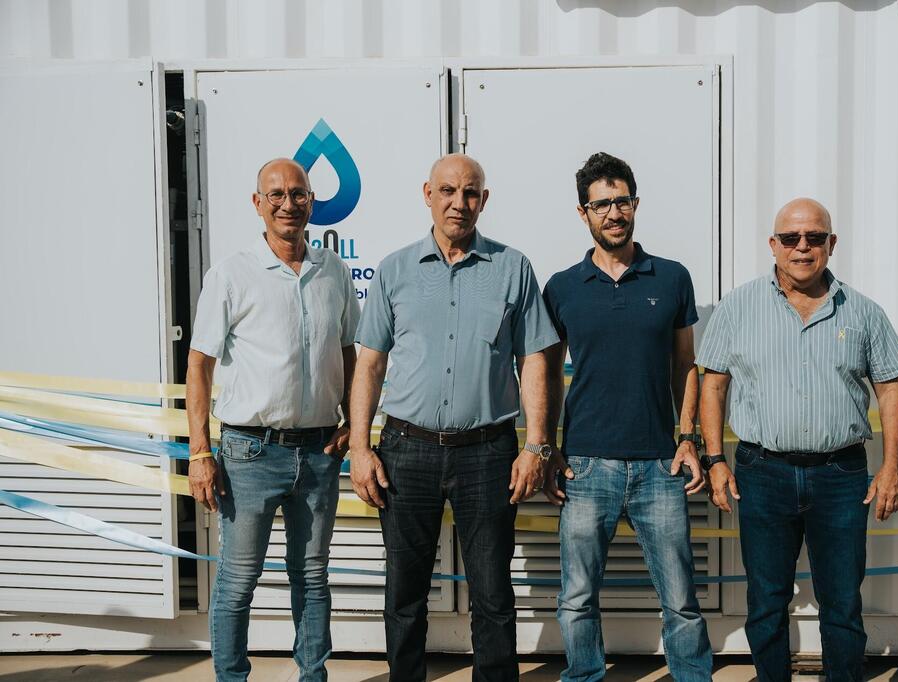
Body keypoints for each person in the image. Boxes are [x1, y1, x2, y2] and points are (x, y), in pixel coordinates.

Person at [347, 153, 560, 681]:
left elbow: (534, 360)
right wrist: (359, 446)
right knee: (404, 592)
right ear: (427, 194)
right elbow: (369, 363)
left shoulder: (513, 268)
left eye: (470, 193)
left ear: (483, 200)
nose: (458, 203)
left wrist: (535, 445)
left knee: (492, 591)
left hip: (488, 453)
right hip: (405, 450)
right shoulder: (395, 270)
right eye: (447, 191)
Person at [697, 198, 898, 681]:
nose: (802, 247)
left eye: (815, 237)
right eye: (791, 238)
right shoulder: (738, 307)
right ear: (773, 245)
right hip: (761, 472)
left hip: (841, 476)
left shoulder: (863, 312)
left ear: (831, 245)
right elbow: (713, 383)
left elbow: (891, 392)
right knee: (767, 600)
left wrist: (892, 467)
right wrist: (715, 460)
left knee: (841, 601)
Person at [187, 158, 361, 682]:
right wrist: (200, 452)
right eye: (277, 194)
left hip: (319, 451)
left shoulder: (333, 270)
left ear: (313, 201)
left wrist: (353, 420)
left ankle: (313, 676)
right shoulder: (231, 274)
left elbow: (350, 350)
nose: (289, 202)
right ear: (258, 203)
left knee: (312, 578)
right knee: (238, 582)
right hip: (249, 453)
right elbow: (199, 365)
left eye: (300, 193)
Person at [541, 152, 713, 681]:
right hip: (586, 466)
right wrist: (547, 448)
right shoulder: (563, 287)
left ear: (635, 205)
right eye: (601, 205)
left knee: (681, 599)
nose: (613, 213)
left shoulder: (673, 277)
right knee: (576, 596)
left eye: (622, 202)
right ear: (583, 213)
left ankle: (691, 676)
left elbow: (687, 364)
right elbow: (545, 375)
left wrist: (689, 438)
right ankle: (584, 675)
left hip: (660, 463)